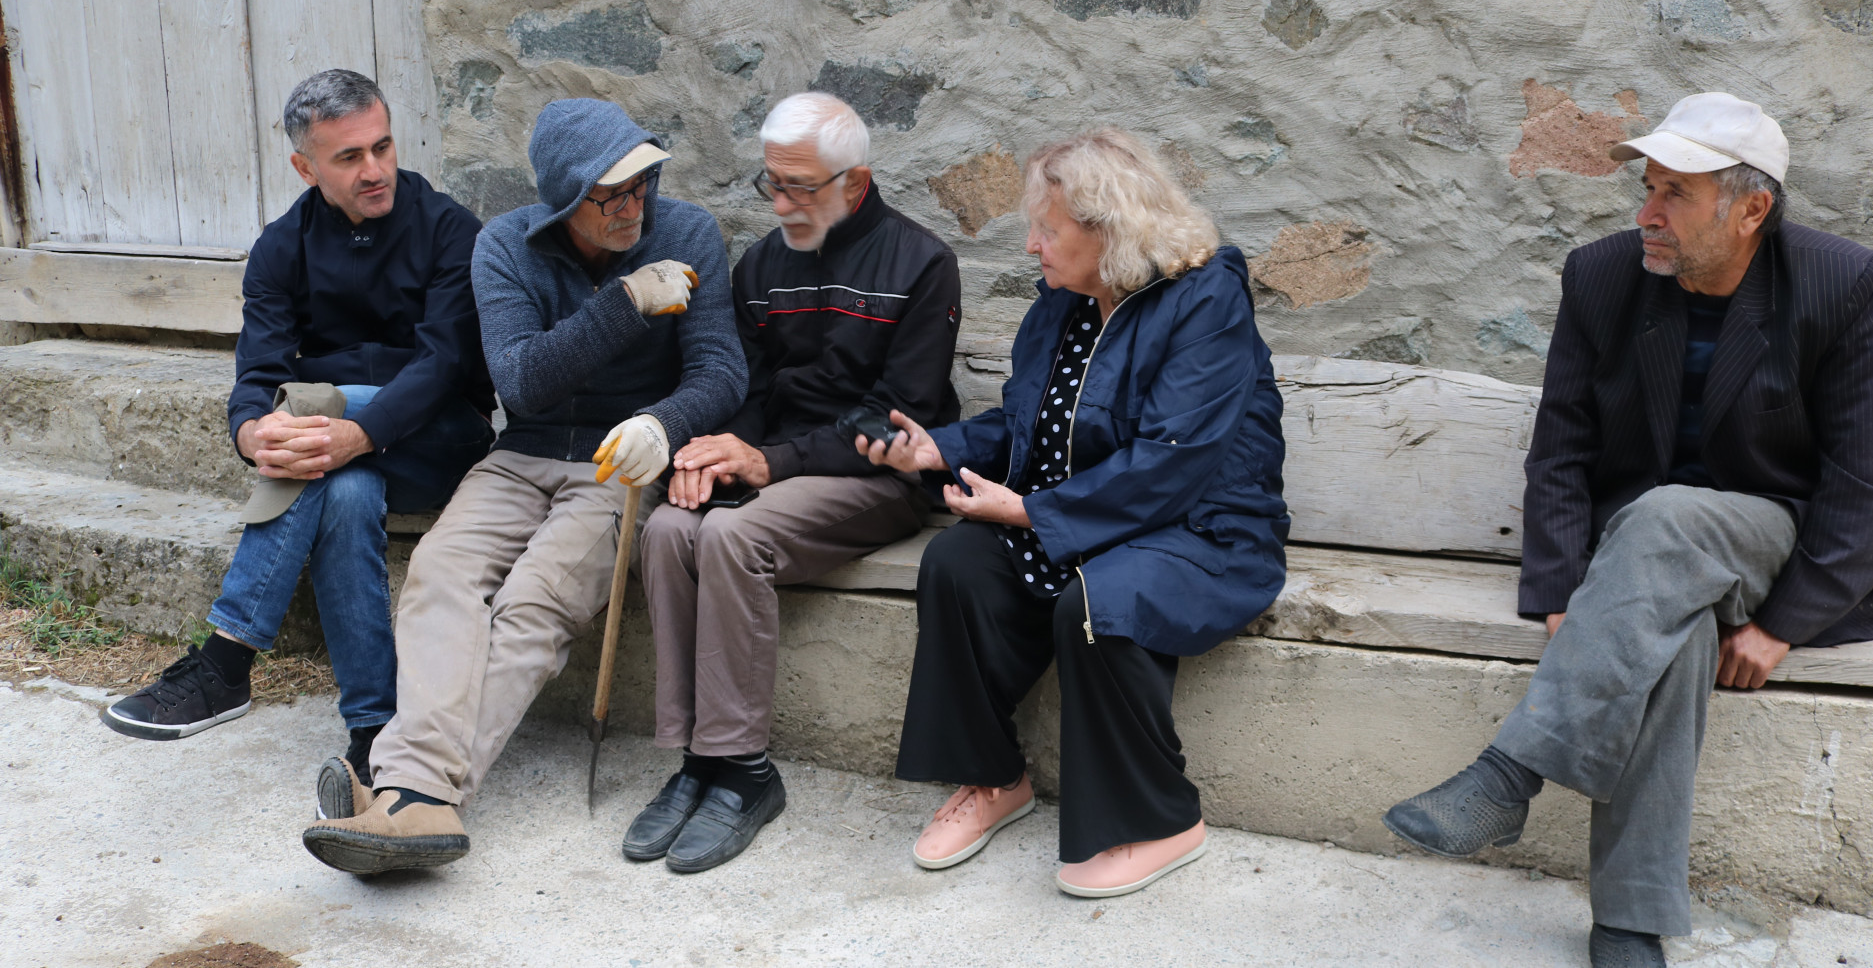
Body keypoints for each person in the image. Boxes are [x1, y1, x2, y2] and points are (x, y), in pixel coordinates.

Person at [1382, 93, 1873, 968]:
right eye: (1650, 187)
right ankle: (1628, 924)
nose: (1647, 214)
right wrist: (1562, 594)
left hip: (1772, 545)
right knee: (1677, 635)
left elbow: (1865, 484)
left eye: (1675, 195)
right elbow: (1561, 450)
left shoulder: (1836, 281)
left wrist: (1783, 626)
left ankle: (1511, 773)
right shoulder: (1602, 275)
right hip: (1647, 562)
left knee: (1667, 515)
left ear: (1751, 210)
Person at [299, 98, 747, 875]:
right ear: (569, 200)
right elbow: (523, 382)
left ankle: (405, 790)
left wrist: (663, 426)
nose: (634, 207)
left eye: (643, 185)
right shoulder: (505, 244)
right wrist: (626, 302)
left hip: (621, 463)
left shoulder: (688, 231)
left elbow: (721, 371)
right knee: (438, 573)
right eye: (612, 196)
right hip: (524, 451)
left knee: (535, 601)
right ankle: (418, 799)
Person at [863, 128, 1289, 898]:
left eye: (1046, 230)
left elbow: (1174, 460)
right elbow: (1033, 426)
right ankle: (994, 779)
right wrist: (938, 450)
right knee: (958, 564)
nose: (1031, 247)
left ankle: (1160, 820)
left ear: (1108, 230)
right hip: (1080, 516)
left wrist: (1030, 512)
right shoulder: (1065, 304)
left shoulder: (1205, 297)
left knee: (1097, 600)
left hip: (1199, 530)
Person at [101, 69, 494, 791]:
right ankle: (374, 726)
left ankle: (225, 663)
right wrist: (253, 434)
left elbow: (444, 367)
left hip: (443, 439)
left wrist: (354, 427)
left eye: (382, 147)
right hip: (338, 448)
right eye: (348, 157)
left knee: (320, 423)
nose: (374, 170)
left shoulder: (449, 231)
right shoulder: (282, 247)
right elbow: (256, 376)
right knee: (341, 492)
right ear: (304, 167)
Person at [621, 92, 962, 873]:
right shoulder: (764, 265)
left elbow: (893, 420)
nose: (780, 203)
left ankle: (745, 771)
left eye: (799, 188)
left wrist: (769, 463)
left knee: (735, 535)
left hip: (876, 475)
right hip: (770, 466)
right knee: (671, 526)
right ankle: (696, 762)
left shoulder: (922, 263)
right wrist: (716, 450)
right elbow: (746, 386)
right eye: (770, 183)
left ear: (857, 180)